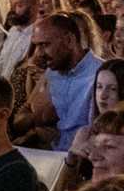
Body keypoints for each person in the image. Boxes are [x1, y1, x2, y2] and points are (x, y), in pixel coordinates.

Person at [26, 12, 102, 151]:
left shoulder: (102, 73)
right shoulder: (52, 73)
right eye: (36, 45)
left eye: (45, 45)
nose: (39, 53)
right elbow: (26, 113)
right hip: (53, 153)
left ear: (69, 41)